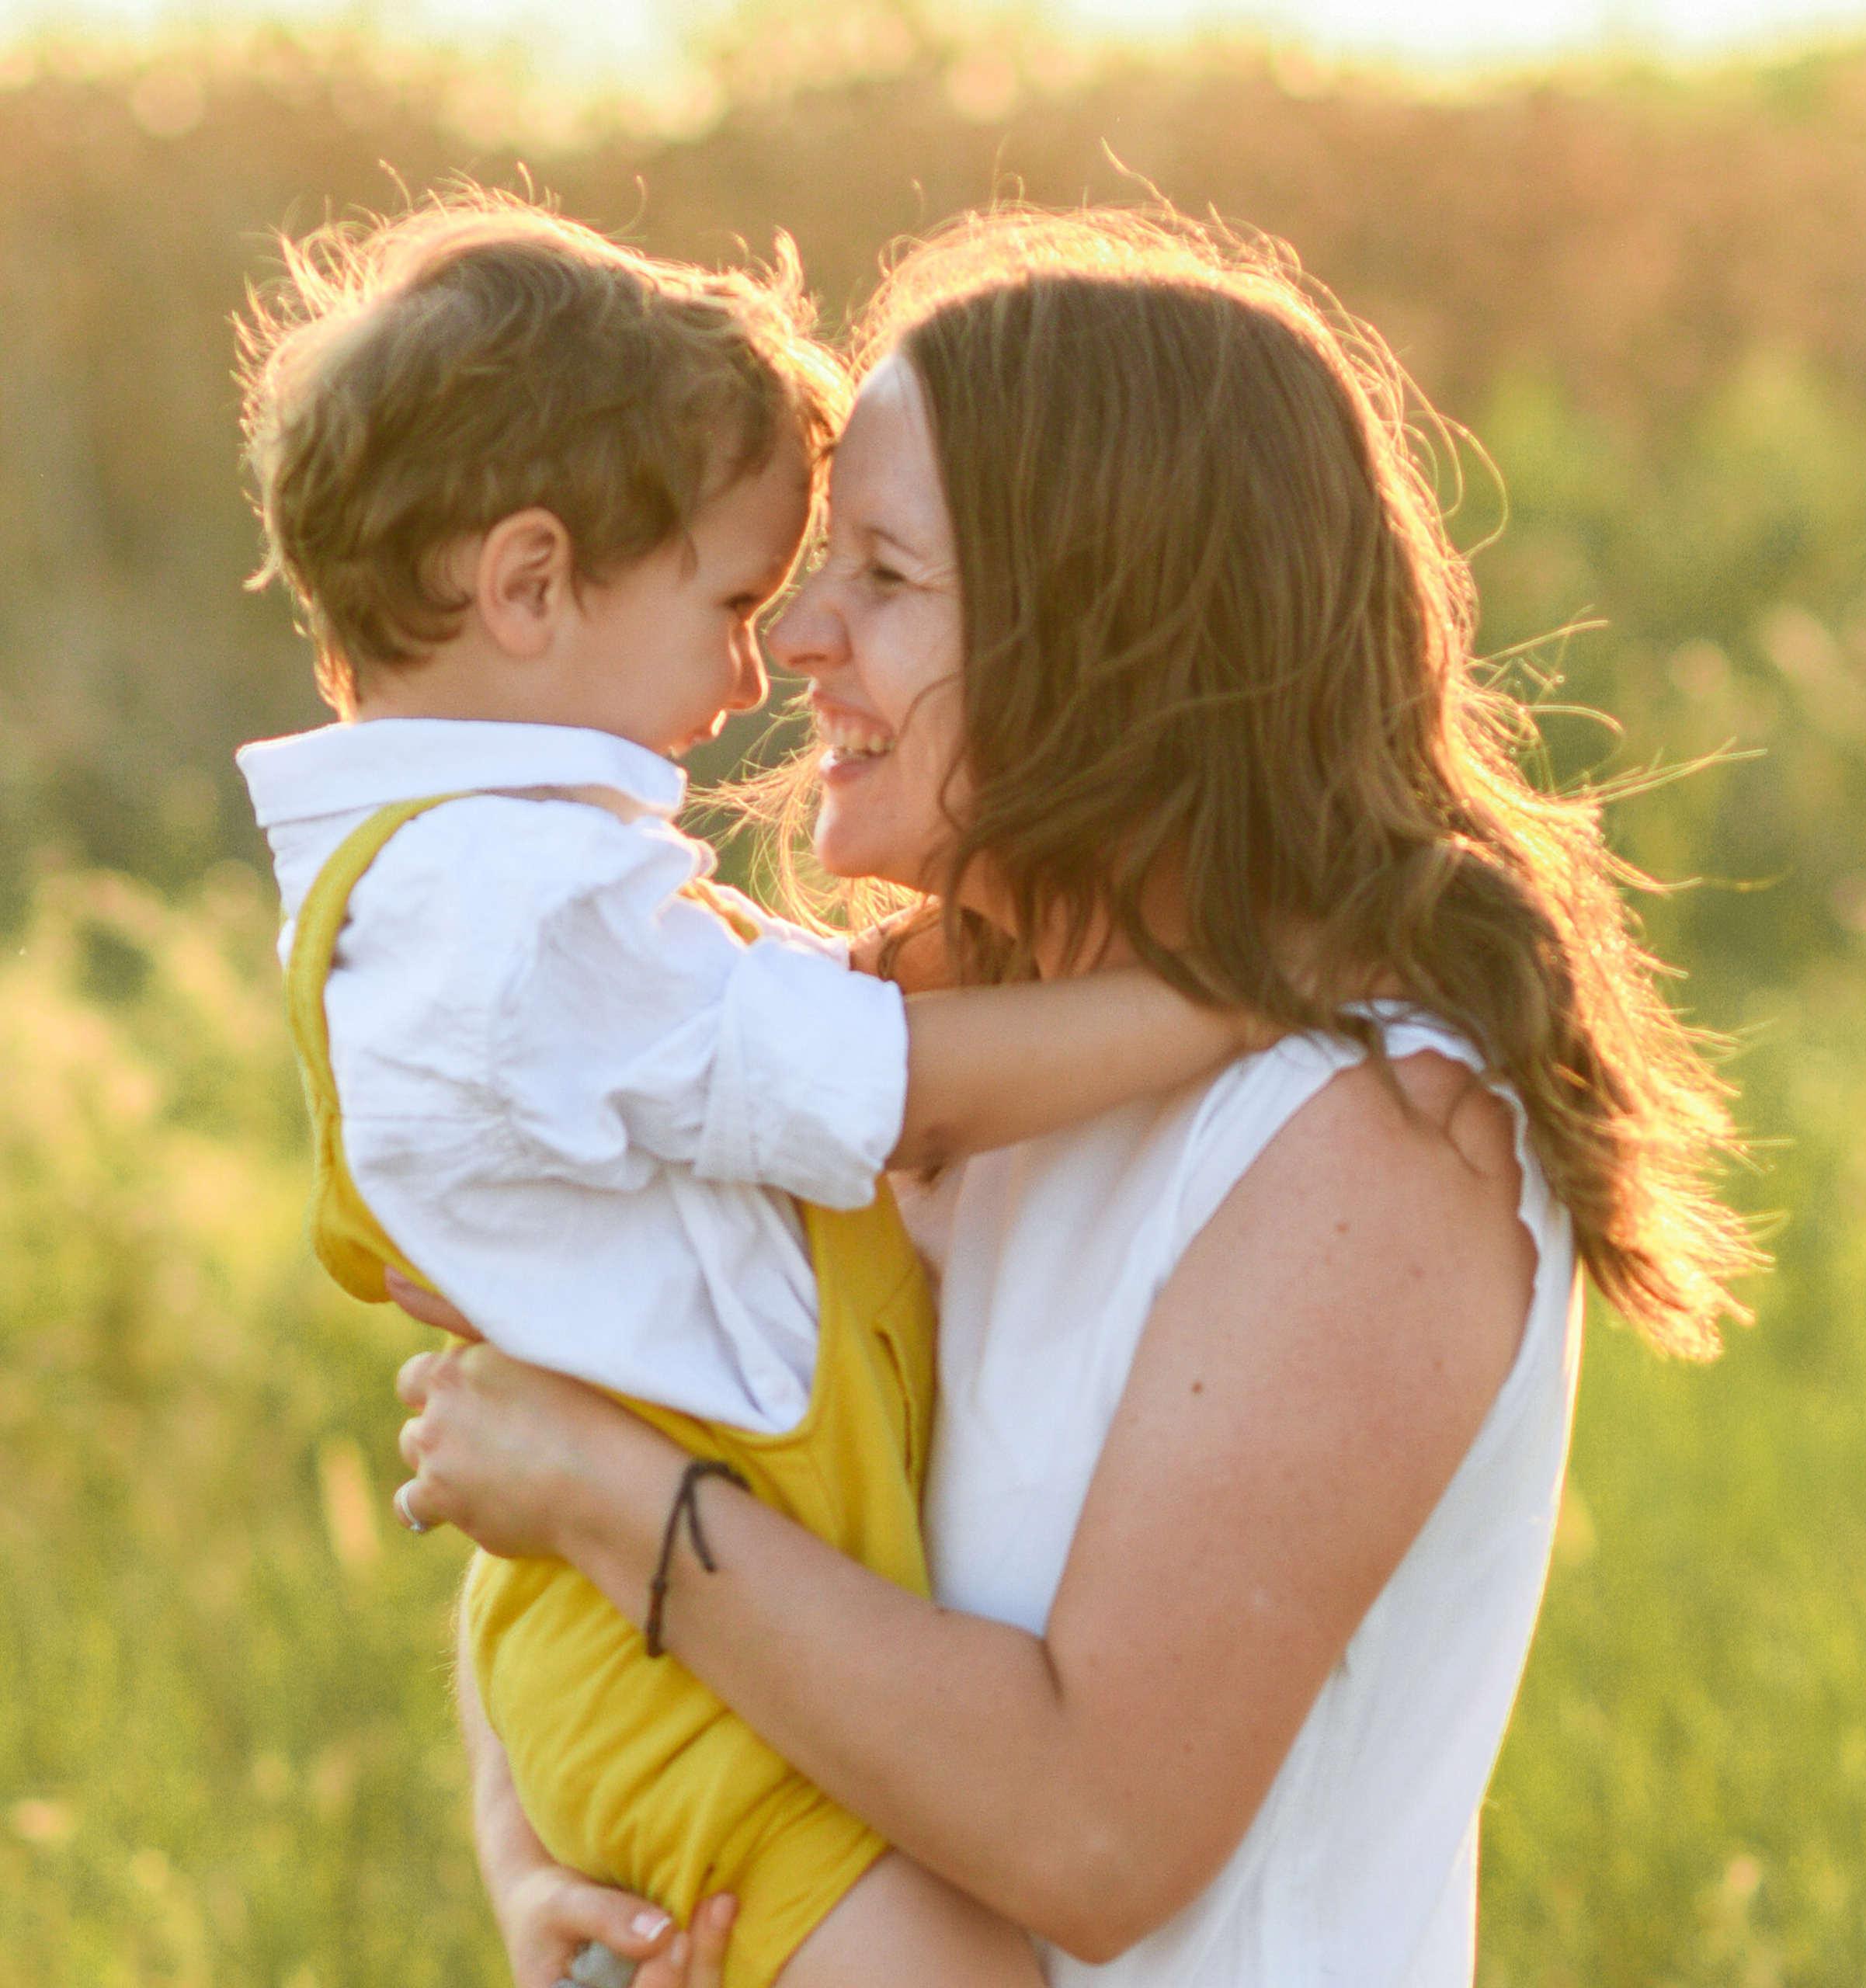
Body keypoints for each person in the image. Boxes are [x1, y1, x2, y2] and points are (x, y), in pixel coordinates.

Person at [391, 209, 1759, 1988]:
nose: (795, 634)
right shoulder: (867, 1053)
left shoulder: (1370, 1134)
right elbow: (533, 1442)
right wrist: (537, 1859)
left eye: (880, 574)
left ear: (1113, 632)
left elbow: (1091, 1832)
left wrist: (619, 1506)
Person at [234, 195, 1267, 1988]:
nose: (755, 666)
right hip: (682, 1679)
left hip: (643, 1629)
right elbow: (898, 1086)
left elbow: (795, 1031)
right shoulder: (515, 905)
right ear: (530, 583)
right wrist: (1224, 995)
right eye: (734, 600)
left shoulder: (485, 883)